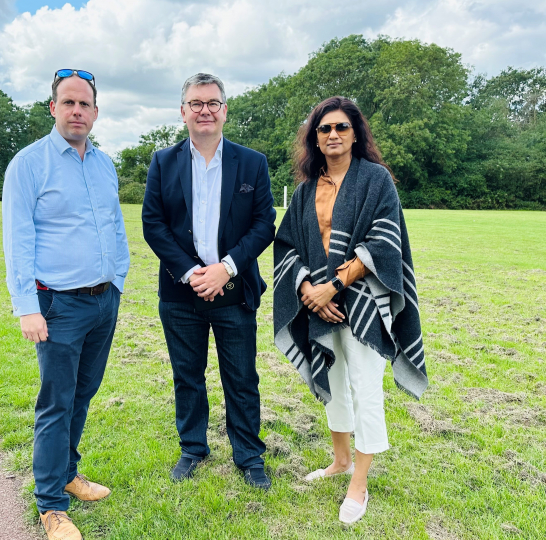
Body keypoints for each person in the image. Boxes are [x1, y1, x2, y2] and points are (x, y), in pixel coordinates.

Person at [272, 96, 428, 524]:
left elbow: (384, 240)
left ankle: (358, 485)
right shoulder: (305, 192)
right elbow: (286, 244)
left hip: (363, 303)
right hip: (318, 307)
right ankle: (339, 460)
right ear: (315, 139)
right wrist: (307, 289)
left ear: (355, 133)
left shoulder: (376, 180)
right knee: (334, 383)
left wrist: (335, 286)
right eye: (325, 129)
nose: (333, 135)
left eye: (341, 127)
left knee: (365, 388)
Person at [2, 69, 129, 540]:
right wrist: (26, 306)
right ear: (53, 107)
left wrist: (118, 277)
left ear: (95, 112)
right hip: (56, 305)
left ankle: (68, 473)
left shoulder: (103, 163)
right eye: (68, 102)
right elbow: (18, 238)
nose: (77, 111)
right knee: (56, 402)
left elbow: (114, 225)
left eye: (85, 104)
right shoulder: (29, 164)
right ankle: (51, 505)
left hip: (103, 302)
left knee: (83, 393)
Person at [141, 73, 276, 489]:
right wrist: (191, 271)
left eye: (213, 103)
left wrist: (226, 268)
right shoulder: (163, 162)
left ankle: (249, 455)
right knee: (188, 374)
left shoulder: (251, 162)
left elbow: (263, 223)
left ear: (224, 110)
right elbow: (154, 224)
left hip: (234, 290)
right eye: (196, 103)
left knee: (241, 375)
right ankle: (193, 448)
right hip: (181, 292)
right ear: (183, 112)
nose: (205, 110)